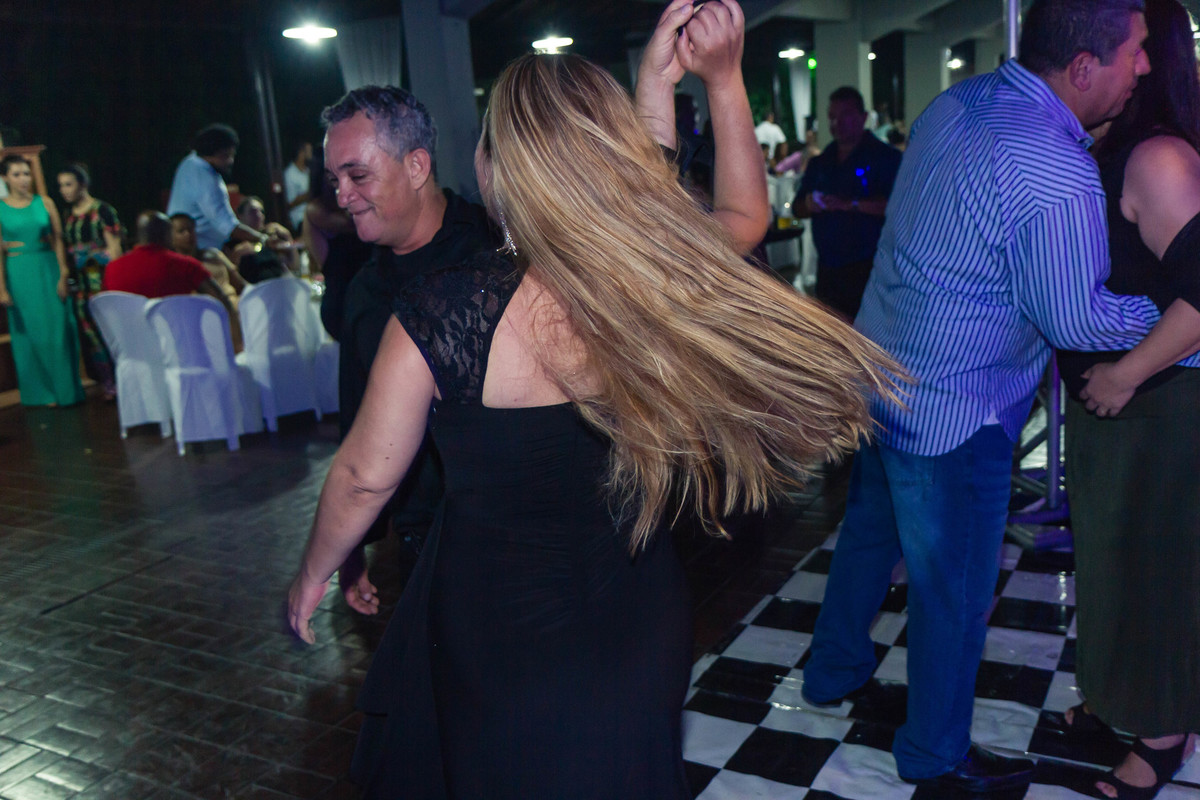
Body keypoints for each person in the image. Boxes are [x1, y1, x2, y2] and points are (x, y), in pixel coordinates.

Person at [287, 21, 900, 800]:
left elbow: (365, 478)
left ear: (498, 165)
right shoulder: (647, 285)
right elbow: (744, 214)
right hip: (636, 615)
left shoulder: (441, 313)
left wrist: (312, 573)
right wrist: (719, 78)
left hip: (497, 634)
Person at [800, 0, 1163, 794]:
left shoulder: (955, 106)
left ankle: (830, 674)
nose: (1144, 65)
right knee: (952, 595)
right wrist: (1171, 310)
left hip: (881, 372)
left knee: (866, 540)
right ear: (1081, 68)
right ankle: (933, 758)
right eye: (1134, 51)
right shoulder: (1053, 164)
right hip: (956, 410)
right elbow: (1076, 318)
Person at [1054, 0, 1200, 796]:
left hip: (1157, 408)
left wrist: (1123, 374)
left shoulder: (1160, 157)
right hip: (1118, 409)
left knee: (1156, 574)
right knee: (1111, 566)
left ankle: (1164, 732)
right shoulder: (1109, 146)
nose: (1132, 60)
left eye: (1141, 46)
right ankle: (1119, 698)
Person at [792, 86, 902, 320]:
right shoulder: (820, 163)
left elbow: (898, 208)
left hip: (870, 269)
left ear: (863, 118)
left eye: (845, 116)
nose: (837, 123)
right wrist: (809, 204)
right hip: (828, 270)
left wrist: (850, 204)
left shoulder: (886, 158)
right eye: (832, 117)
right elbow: (797, 208)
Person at [0, 154, 85, 407]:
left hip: (47, 267)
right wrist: (2, 288)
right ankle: (43, 393)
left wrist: (63, 272)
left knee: (58, 329)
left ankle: (66, 390)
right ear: (5, 178)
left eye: (26, 173)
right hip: (19, 270)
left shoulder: (44, 202)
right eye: (16, 174)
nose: (23, 179)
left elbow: (58, 238)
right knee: (32, 333)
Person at [58, 162, 121, 399]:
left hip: (102, 282)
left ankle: (124, 378)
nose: (64, 190)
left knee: (111, 332)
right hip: (81, 285)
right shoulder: (68, 217)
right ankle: (108, 383)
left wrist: (93, 256)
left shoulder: (102, 211)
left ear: (82, 184)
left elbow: (115, 252)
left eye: (69, 184)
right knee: (91, 335)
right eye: (61, 185)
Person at [104, 212, 235, 322]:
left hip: (133, 349)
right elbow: (221, 303)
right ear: (168, 234)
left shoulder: (111, 269)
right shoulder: (186, 266)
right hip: (181, 347)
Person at [166, 123, 277, 252]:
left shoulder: (190, 162)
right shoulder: (206, 179)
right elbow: (227, 226)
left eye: (232, 155)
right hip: (203, 251)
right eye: (226, 156)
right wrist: (262, 238)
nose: (231, 161)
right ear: (212, 154)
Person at [302, 146, 372, 341]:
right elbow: (354, 225)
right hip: (342, 302)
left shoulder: (349, 204)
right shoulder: (316, 209)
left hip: (366, 301)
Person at [225, 195, 296, 283]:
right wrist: (235, 258)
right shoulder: (232, 246)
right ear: (240, 216)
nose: (259, 215)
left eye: (261, 211)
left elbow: (294, 267)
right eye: (253, 211)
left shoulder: (271, 240)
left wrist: (287, 236)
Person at [283, 140, 312, 232]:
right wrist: (310, 193)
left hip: (314, 214)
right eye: (309, 151)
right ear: (301, 153)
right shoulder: (290, 174)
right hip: (301, 218)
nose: (311, 154)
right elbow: (290, 203)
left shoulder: (308, 171)